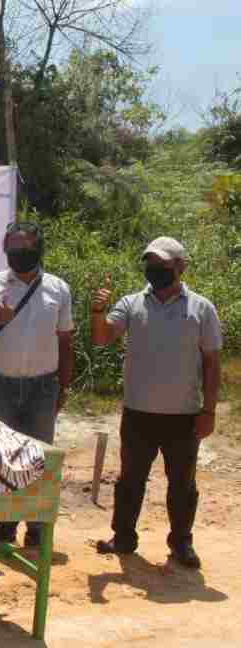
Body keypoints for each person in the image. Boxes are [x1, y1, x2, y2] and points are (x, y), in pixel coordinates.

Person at [91, 236, 221, 569]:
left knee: (183, 485)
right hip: (138, 413)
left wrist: (209, 411)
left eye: (162, 265)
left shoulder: (202, 309)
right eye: (150, 264)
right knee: (130, 480)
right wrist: (98, 311)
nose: (154, 270)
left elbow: (211, 363)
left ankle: (181, 543)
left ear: (180, 266)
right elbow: (102, 338)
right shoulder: (132, 304)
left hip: (184, 415)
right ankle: (123, 537)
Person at [0, 221, 74, 548]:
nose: (19, 254)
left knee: (39, 457)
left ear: (38, 249)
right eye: (12, 248)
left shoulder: (58, 288)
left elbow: (66, 340)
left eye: (25, 248)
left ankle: (37, 527)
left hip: (43, 386)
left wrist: (64, 386)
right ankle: (6, 521)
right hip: (1, 384)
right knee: (4, 457)